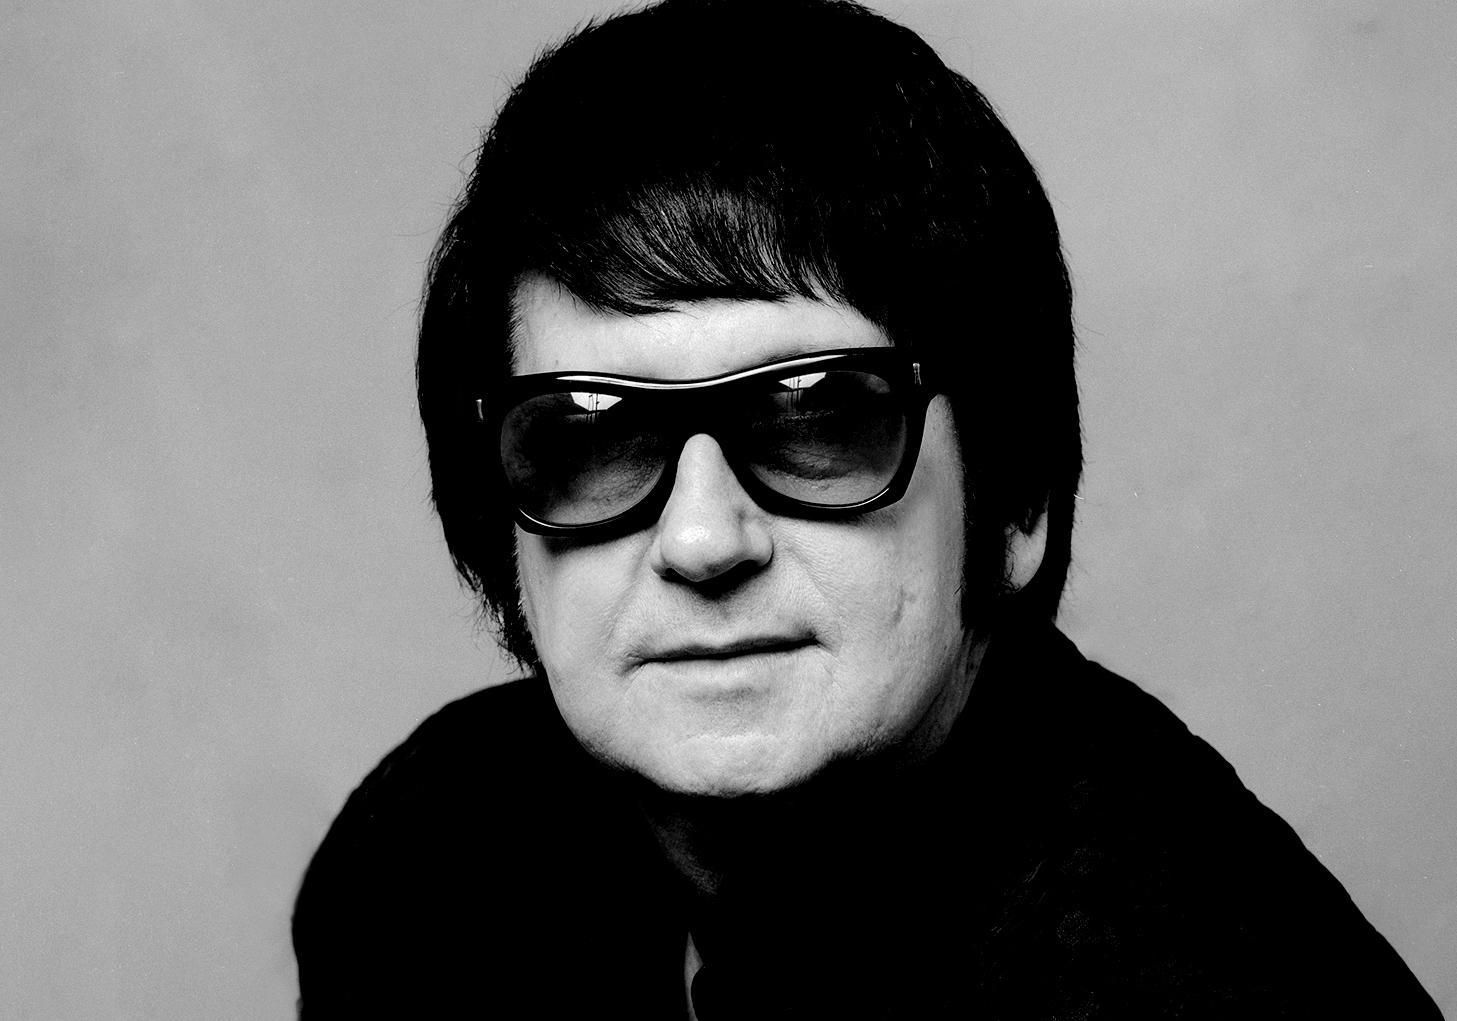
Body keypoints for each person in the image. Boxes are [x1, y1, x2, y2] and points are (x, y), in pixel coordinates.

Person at [292, 1, 1441, 1016]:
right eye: (592, 436)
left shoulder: (1203, 982)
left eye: (817, 419)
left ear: (1014, 498)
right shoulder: (424, 861)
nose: (701, 539)